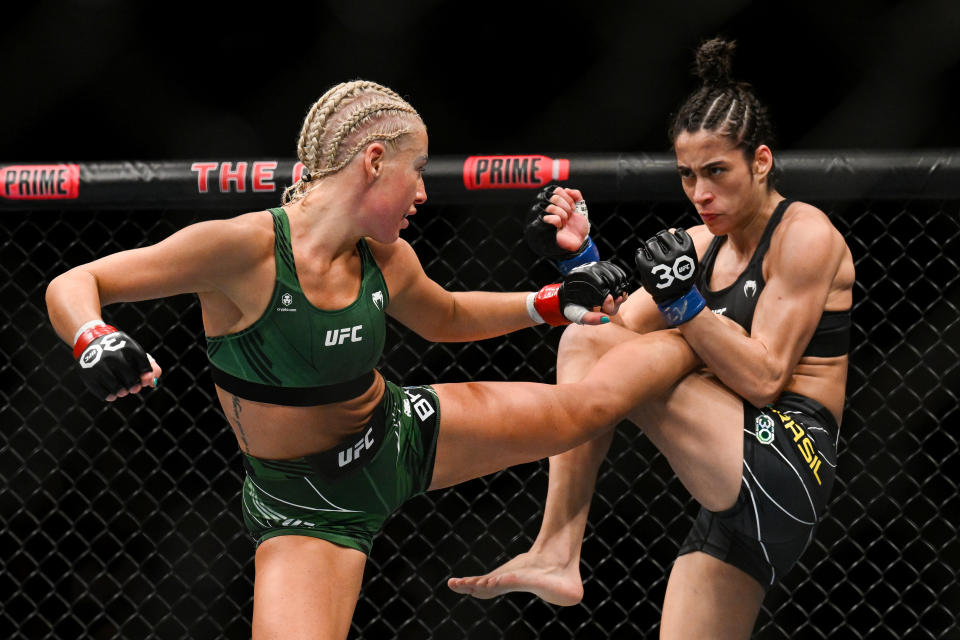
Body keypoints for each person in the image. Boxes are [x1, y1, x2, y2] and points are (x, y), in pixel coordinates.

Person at [45, 80, 706, 639]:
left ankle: (697, 331)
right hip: (303, 502)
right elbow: (74, 283)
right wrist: (93, 337)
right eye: (416, 171)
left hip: (395, 434)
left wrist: (551, 303)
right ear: (374, 159)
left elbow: (443, 315)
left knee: (583, 409)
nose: (423, 193)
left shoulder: (384, 254)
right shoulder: (244, 249)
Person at [448, 38, 855, 639]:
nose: (700, 193)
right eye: (688, 175)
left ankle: (550, 531)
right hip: (728, 494)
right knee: (591, 341)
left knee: (651, 344)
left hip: (786, 458)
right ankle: (556, 551)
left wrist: (687, 308)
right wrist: (581, 265)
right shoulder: (697, 245)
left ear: (761, 162)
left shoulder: (803, 234)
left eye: (717, 172)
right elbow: (609, 338)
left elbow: (766, 381)